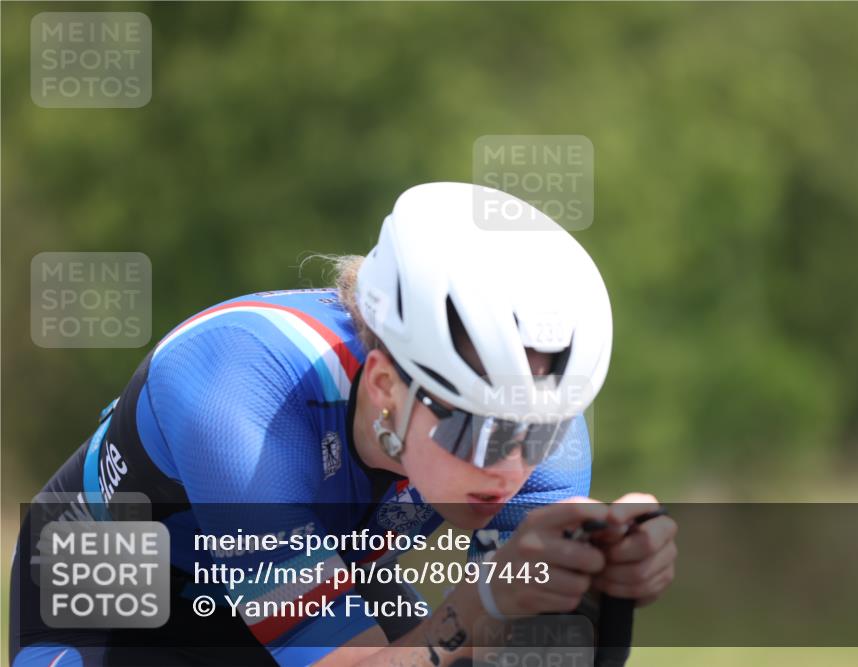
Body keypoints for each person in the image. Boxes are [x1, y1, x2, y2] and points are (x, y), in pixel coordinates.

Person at [10, 182, 677, 667]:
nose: (511, 466)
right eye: (480, 431)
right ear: (388, 386)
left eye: (542, 432)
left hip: (312, 573)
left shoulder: (540, 427)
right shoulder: (242, 395)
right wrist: (480, 608)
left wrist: (602, 588)